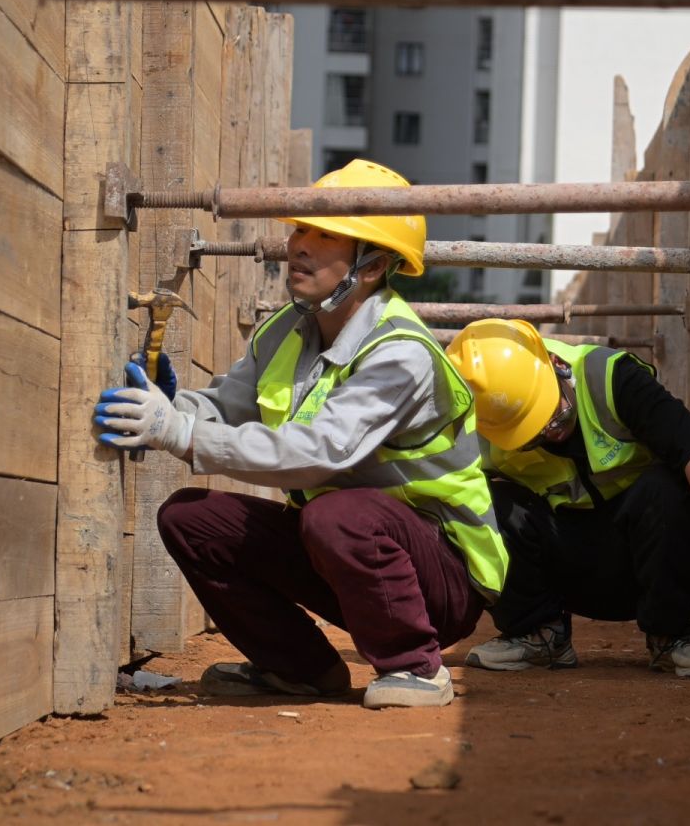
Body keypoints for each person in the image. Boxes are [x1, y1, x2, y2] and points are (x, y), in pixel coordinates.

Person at [93, 159, 508, 709]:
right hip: (347, 552)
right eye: (300, 229)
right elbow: (224, 409)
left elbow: (319, 455)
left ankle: (415, 666)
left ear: (372, 265)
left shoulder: (400, 352)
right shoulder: (287, 329)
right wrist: (164, 408)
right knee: (190, 519)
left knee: (336, 513)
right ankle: (301, 670)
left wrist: (179, 431)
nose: (299, 245)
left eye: (325, 235)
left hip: (440, 578)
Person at [444, 318, 690, 678]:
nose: (552, 433)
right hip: (560, 566)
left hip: (646, 562)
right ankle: (538, 633)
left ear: (555, 364)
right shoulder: (478, 431)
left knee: (668, 486)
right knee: (482, 500)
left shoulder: (610, 377)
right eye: (532, 433)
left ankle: (670, 634)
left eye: (555, 413)